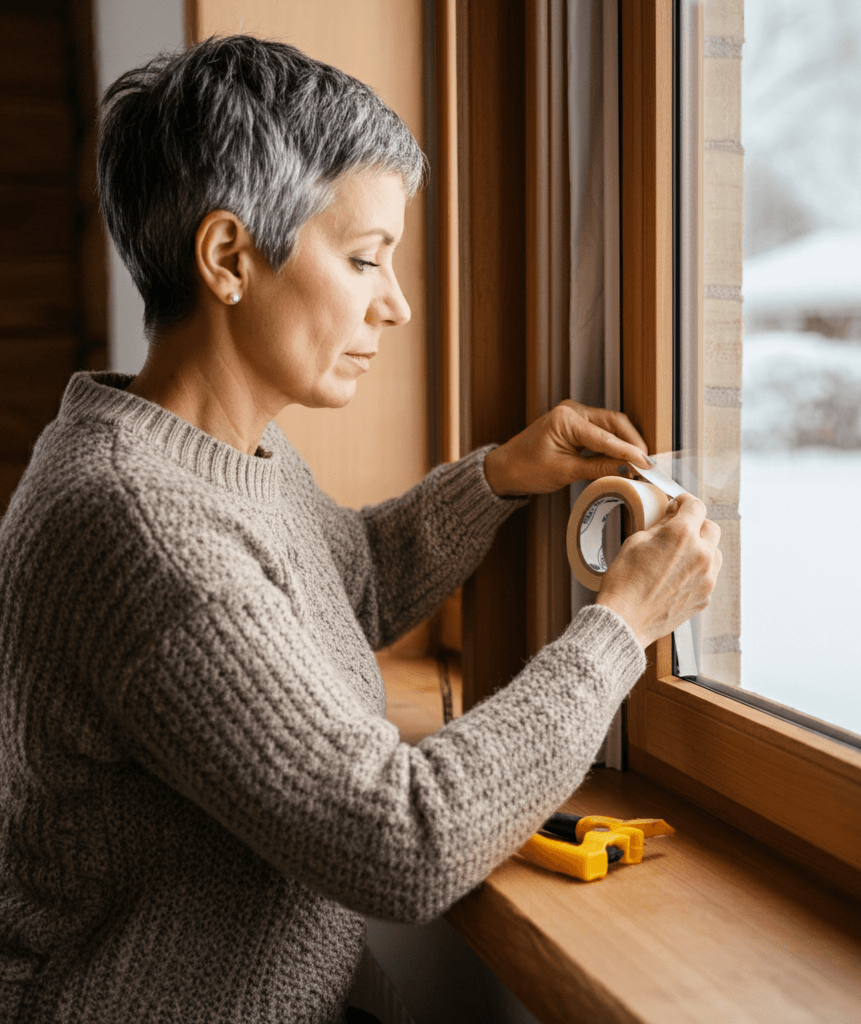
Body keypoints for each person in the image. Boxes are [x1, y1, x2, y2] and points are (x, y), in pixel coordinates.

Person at [0, 35, 722, 1024]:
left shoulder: (214, 449)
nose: (398, 304)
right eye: (363, 259)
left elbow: (346, 584)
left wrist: (500, 476)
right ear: (228, 258)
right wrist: (621, 625)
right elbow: (404, 842)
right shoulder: (136, 524)